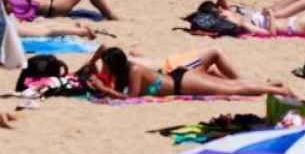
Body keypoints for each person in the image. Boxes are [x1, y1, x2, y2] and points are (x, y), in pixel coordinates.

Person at [83, 47, 294, 99]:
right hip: (179, 79)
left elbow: (131, 99)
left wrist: (103, 88)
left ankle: (278, 89)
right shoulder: (124, 74)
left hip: (182, 82)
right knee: (230, 87)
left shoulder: (135, 70)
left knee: (232, 88)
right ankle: (272, 85)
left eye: (105, 66)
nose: (104, 69)